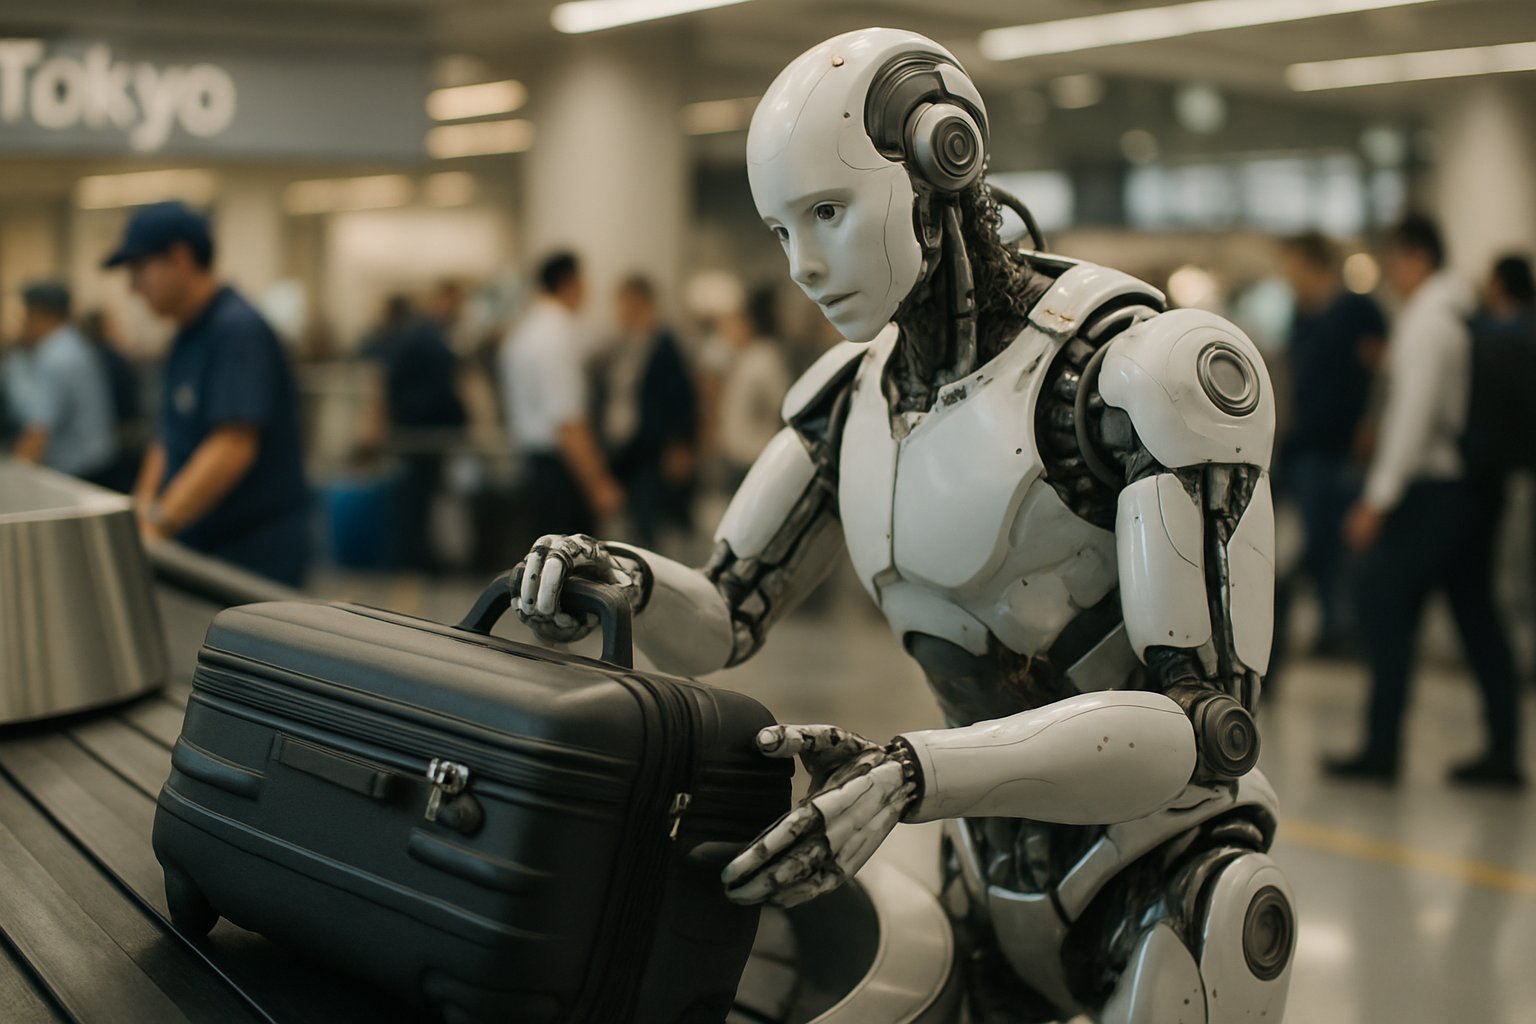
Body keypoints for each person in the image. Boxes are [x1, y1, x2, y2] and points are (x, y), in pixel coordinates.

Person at [511, 29, 1292, 1023]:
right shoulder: (851, 398)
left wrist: (917, 771)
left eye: (828, 213)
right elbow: (725, 617)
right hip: (981, 857)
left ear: (943, 161)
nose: (802, 264)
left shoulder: (1129, 378)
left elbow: (1201, 728)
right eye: (781, 230)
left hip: (1166, 867)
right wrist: (615, 573)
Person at [1326, 215, 1523, 787]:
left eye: (1393, 260)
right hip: (1468, 489)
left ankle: (1382, 749)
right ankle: (1502, 751)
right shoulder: (1456, 311)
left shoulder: (1429, 320)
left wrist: (1376, 501)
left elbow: (1414, 420)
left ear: (1415, 257)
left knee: (1384, 601)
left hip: (1435, 491)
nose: (1391, 273)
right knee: (1475, 615)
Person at [104, 201, 310, 587]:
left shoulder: (236, 331)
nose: (133, 288)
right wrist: (141, 513)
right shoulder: (185, 335)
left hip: (252, 549)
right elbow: (168, 437)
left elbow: (233, 445)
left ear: (180, 258)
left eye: (140, 270)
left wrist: (160, 523)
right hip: (201, 539)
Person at [1273, 232, 1386, 660]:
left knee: (1330, 546)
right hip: (1304, 448)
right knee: (1298, 545)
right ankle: (1313, 628)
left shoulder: (1357, 310)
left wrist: (1372, 425)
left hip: (1340, 449)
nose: (1287, 275)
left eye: (1292, 264)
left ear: (1311, 262)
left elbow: (1381, 373)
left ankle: (1340, 625)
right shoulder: (1301, 315)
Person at [499, 252, 622, 540]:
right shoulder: (559, 333)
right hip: (560, 469)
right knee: (571, 570)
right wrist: (598, 484)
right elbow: (567, 421)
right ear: (570, 283)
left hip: (534, 463)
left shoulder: (525, 330)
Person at [361, 286, 468, 573]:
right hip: (420, 433)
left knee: (414, 502)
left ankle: (412, 560)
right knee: (414, 502)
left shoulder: (417, 337)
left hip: (417, 431)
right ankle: (412, 562)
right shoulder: (426, 339)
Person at [599, 275, 698, 547]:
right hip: (625, 445)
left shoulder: (664, 346)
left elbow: (680, 398)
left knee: (649, 517)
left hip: (651, 446)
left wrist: (680, 445)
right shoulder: (624, 346)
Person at [4, 282, 118, 484]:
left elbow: (37, 432)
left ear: (39, 315)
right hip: (99, 462)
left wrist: (14, 483)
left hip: (78, 472)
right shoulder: (74, 344)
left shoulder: (55, 357)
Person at [716, 287, 791, 487]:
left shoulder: (764, 358)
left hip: (755, 455)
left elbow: (779, 406)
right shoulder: (744, 356)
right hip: (738, 456)